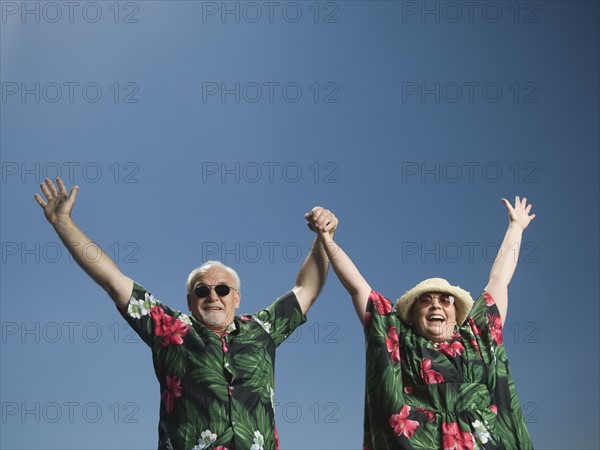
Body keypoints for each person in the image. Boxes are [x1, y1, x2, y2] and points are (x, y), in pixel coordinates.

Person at [34, 178, 337, 450]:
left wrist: (324, 237)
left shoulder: (262, 330)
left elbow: (305, 289)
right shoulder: (170, 330)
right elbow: (113, 281)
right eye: (202, 291)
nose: (213, 296)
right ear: (191, 301)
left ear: (237, 298)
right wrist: (63, 222)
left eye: (222, 289)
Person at [307, 196, 535, 449]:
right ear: (413, 316)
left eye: (445, 300)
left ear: (457, 313)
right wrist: (326, 238)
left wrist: (516, 227)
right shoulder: (398, 340)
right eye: (425, 300)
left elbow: (499, 279)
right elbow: (358, 288)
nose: (436, 305)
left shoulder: (477, 334)